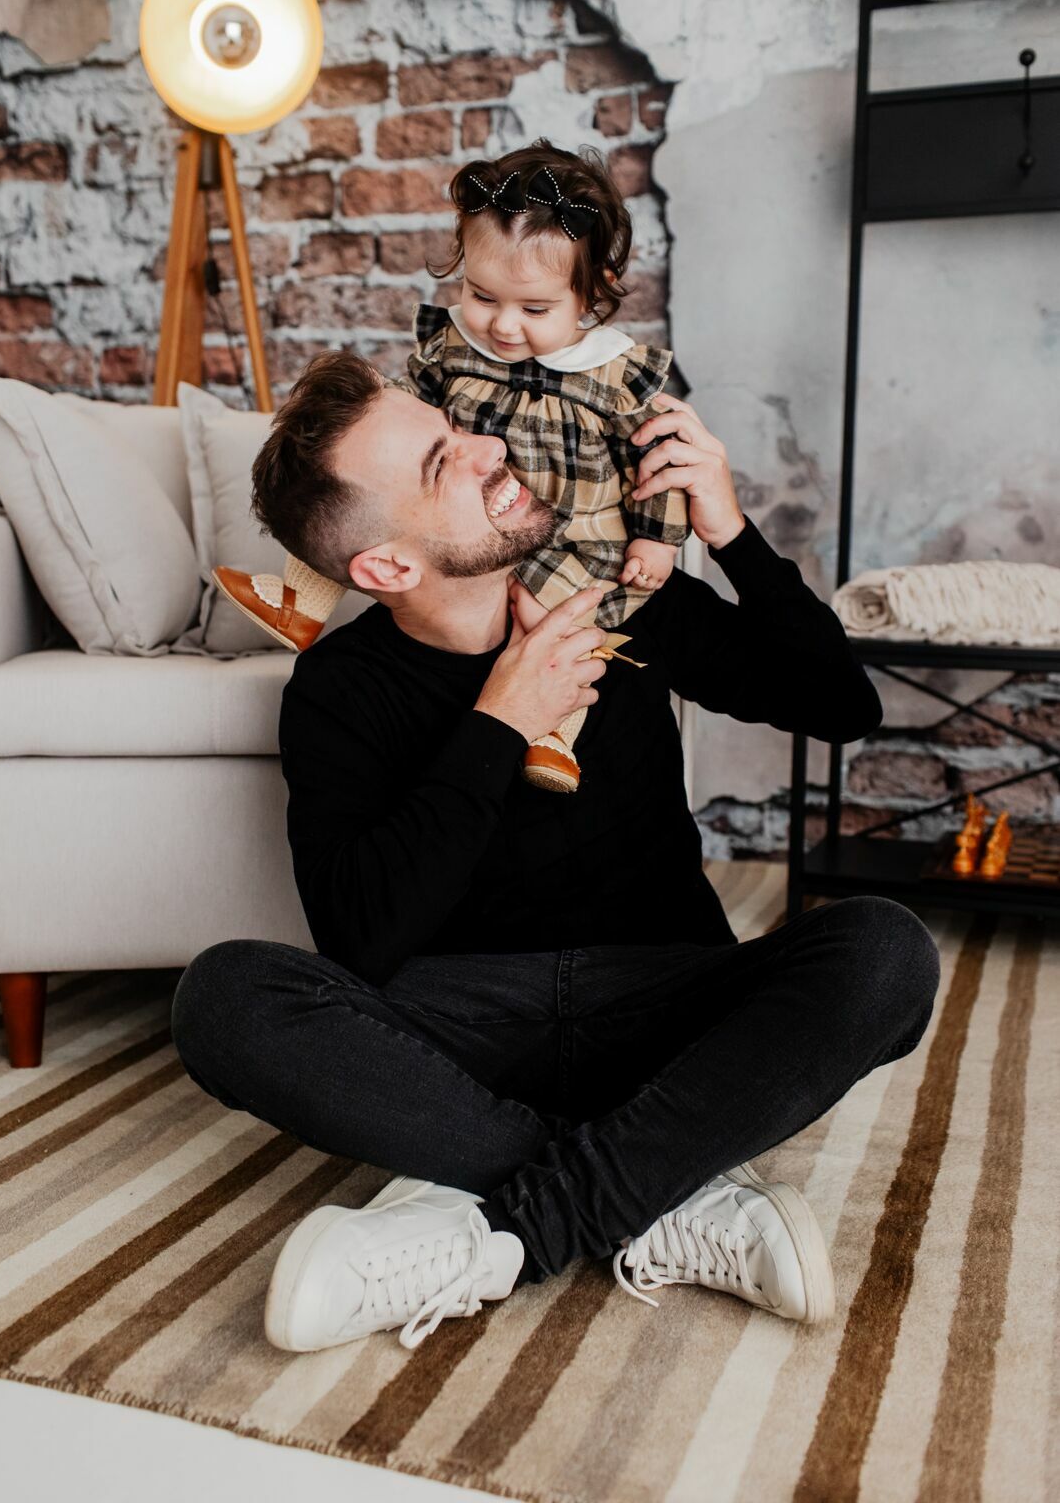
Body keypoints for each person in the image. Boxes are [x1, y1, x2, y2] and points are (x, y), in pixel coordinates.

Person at [171, 346, 941, 1355]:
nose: (492, 446)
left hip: (663, 1001)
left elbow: (842, 708)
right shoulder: (338, 691)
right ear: (388, 567)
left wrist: (731, 531)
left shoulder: (622, 600)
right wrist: (500, 720)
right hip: (465, 1028)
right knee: (221, 998)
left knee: (885, 953)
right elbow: (359, 940)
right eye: (446, 461)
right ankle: (659, 1189)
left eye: (463, 430)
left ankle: (506, 1223)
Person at [211, 140, 690, 793]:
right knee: (349, 498)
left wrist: (656, 538)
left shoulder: (609, 376)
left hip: (568, 531)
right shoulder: (456, 353)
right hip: (476, 511)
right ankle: (300, 600)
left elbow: (654, 461)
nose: (503, 326)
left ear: (591, 296)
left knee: (559, 625)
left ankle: (551, 734)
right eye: (481, 295)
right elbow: (396, 431)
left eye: (534, 309)